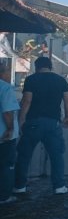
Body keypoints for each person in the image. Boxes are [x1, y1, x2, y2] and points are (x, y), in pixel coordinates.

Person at [13, 56, 68, 195]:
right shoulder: (60, 80)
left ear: (36, 67)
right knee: (56, 156)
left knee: (24, 155)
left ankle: (20, 186)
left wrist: (21, 120)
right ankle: (59, 187)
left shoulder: (31, 79)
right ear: (50, 66)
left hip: (33, 122)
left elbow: (27, 101)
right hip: (53, 123)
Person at [0, 63, 20, 204]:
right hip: (3, 136)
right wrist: (10, 129)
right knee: (6, 165)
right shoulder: (5, 88)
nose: (9, 73)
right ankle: (4, 196)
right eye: (8, 71)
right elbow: (7, 111)